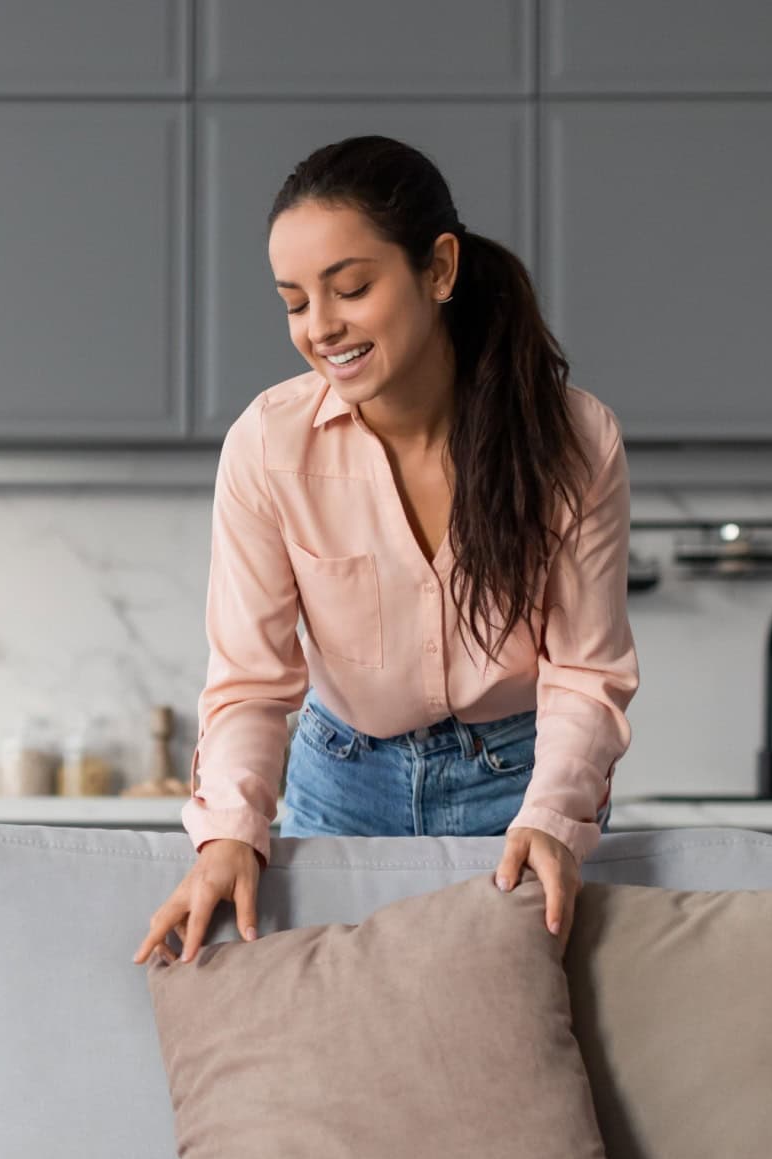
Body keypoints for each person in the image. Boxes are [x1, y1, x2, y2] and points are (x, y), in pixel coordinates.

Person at [134, 135, 637, 969]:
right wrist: (229, 833)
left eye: (352, 288)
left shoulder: (574, 440)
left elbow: (586, 673)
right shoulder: (268, 445)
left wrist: (552, 816)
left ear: (439, 270)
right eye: (294, 302)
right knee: (339, 1043)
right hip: (340, 782)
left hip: (520, 783)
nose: (321, 328)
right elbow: (253, 684)